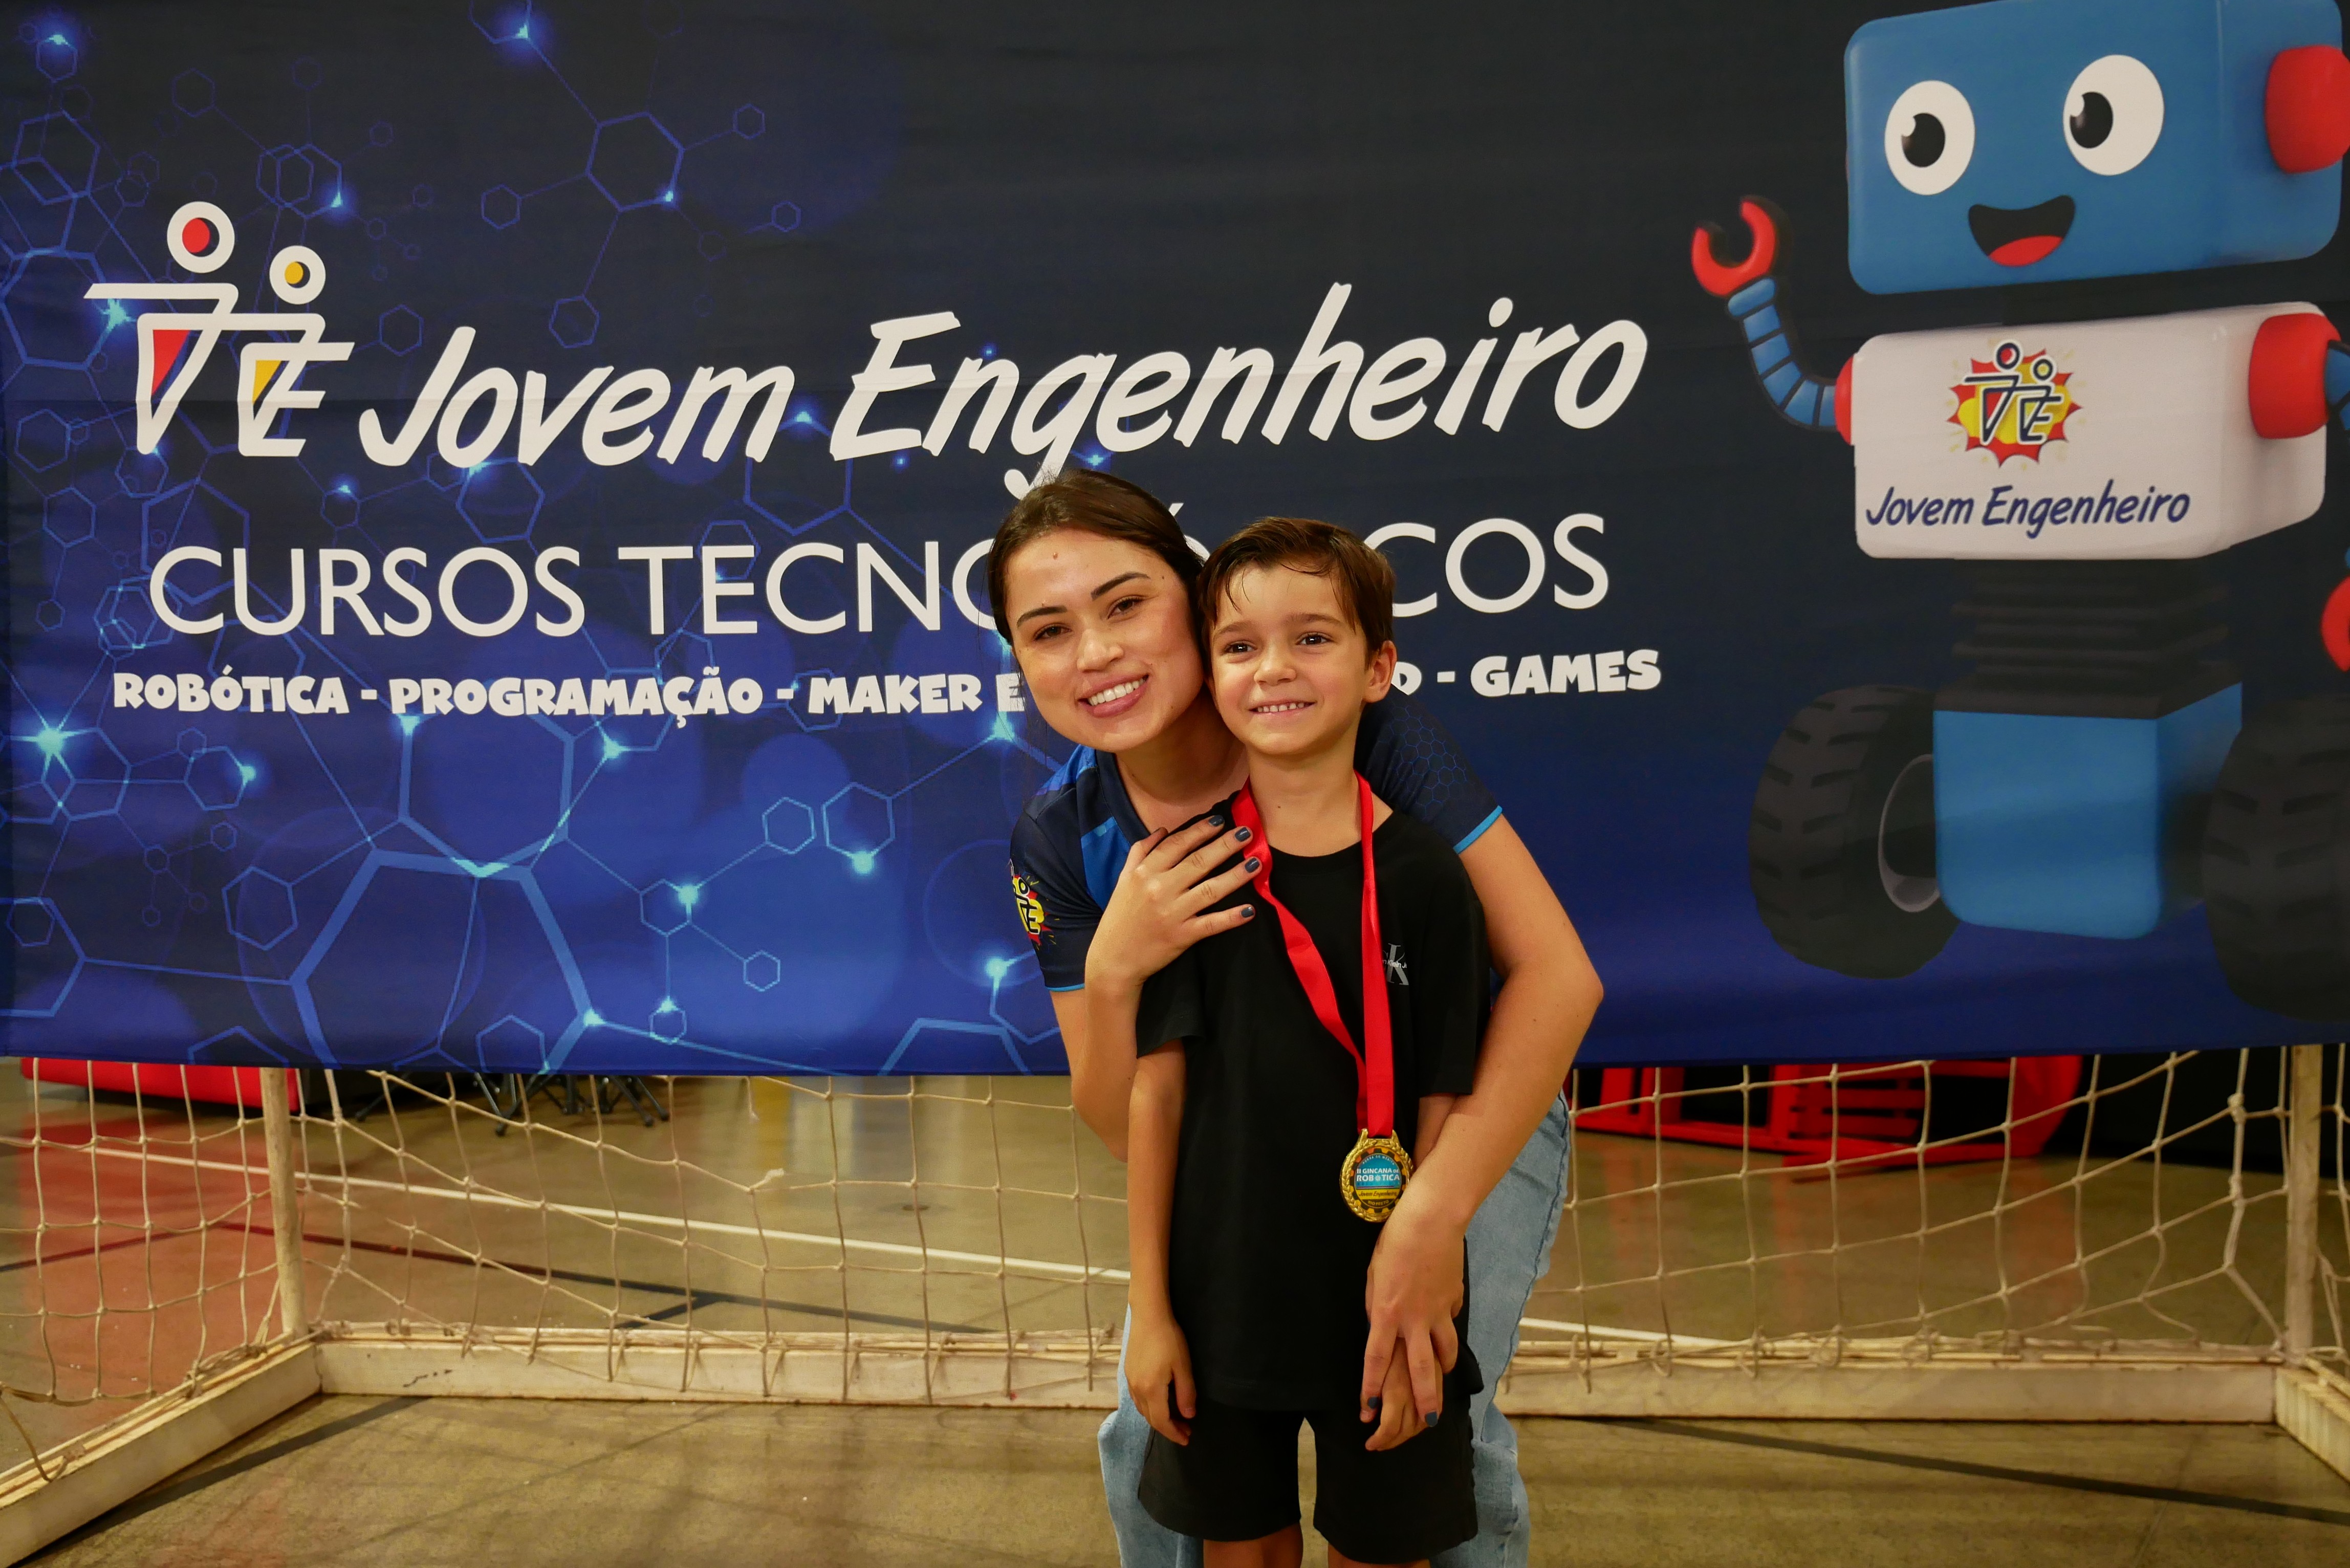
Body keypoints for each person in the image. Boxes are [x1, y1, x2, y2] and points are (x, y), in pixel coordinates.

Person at [996, 471, 1602, 1568]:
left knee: (1431, 1404)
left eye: (1126, 604)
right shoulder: (1062, 835)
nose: (1096, 652)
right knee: (1149, 1431)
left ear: (1195, 603)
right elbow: (1121, 1117)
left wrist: (1430, 1216)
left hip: (1450, 1110)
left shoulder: (1360, 730)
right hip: (1239, 1145)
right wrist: (1118, 965)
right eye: (1049, 630)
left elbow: (1557, 978)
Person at [1126, 516, 1490, 1567]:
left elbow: (1447, 1094)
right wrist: (1151, 1306)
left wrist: (1433, 1261)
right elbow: (1155, 1097)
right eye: (1240, 645)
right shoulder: (1188, 875)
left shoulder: (1427, 876)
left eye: (1313, 638)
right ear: (1211, 677)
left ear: (1378, 668)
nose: (1274, 668)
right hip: (1220, 1301)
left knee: (1385, 1548)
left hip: (1387, 1291)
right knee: (1241, 1550)